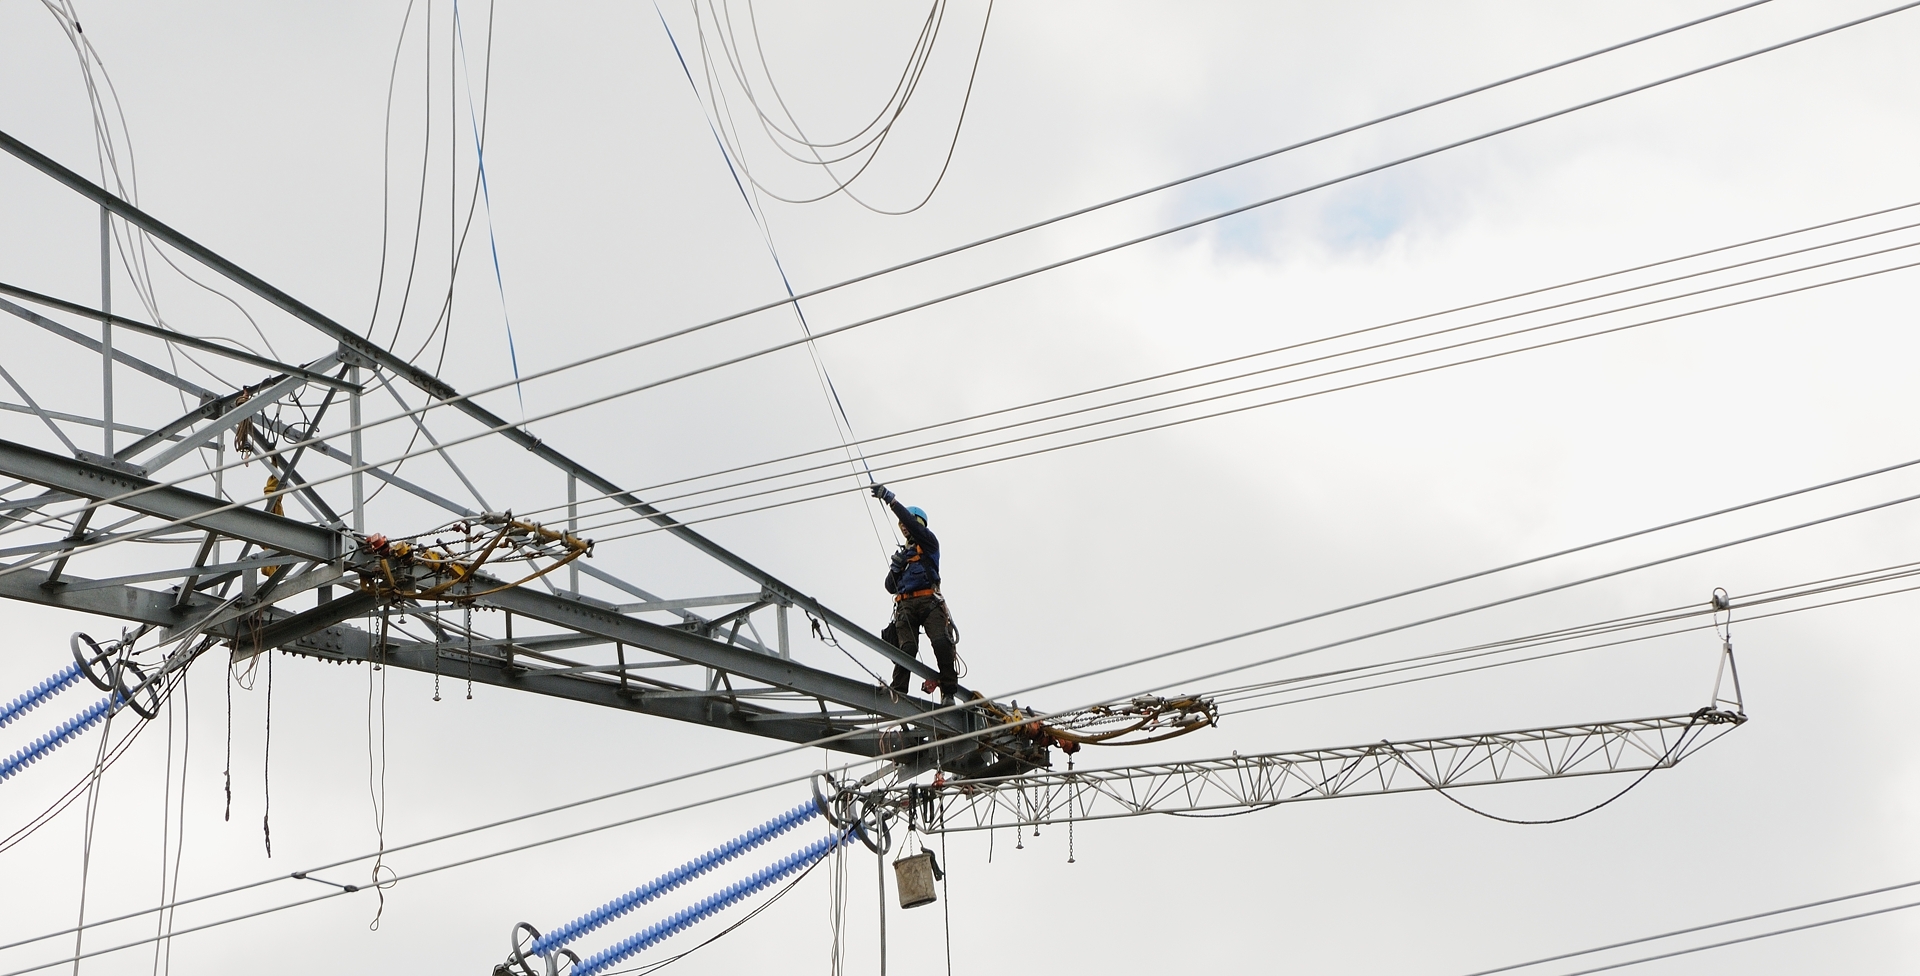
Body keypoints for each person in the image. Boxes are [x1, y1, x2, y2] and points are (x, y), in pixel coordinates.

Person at [870, 484, 958, 702]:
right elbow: (890, 586)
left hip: (929, 602)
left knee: (941, 642)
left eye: (908, 522)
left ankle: (948, 691)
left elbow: (912, 523)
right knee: (906, 649)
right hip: (906, 606)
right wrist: (896, 569)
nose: (904, 526)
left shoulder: (929, 543)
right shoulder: (904, 555)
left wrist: (891, 500)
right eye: (902, 524)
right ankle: (898, 690)